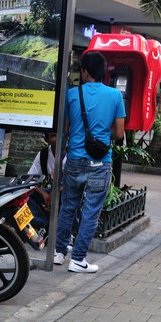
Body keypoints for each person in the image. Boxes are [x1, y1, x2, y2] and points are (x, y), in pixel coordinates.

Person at [54, 50, 125, 274]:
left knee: (68, 208)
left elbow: (65, 130)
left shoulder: (72, 94)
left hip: (74, 160)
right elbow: (121, 133)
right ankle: (78, 259)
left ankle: (58, 253)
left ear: (85, 71)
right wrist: (102, 137)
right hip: (99, 162)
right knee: (91, 211)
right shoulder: (115, 96)